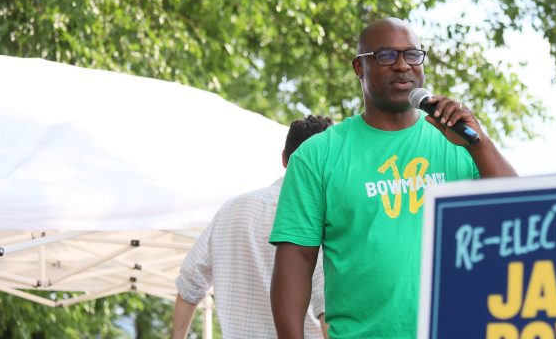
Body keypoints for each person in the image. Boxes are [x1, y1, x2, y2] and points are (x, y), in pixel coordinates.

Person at [269, 17, 517, 338]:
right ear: (359, 68)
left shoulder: (458, 142)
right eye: (386, 56)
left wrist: (479, 144)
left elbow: (518, 211)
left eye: (412, 55)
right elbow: (297, 261)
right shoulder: (318, 155)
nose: (403, 66)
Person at [172, 115, 334, 339]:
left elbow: (188, 285)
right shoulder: (321, 219)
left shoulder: (230, 211)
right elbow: (329, 311)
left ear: (284, 159)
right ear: (327, 164)